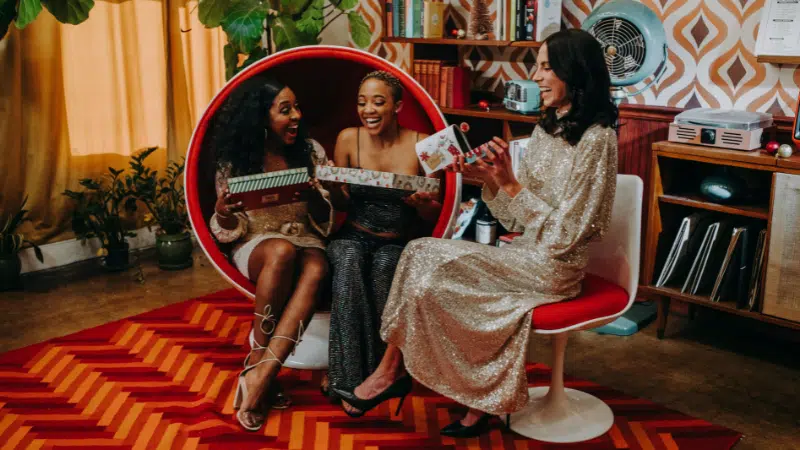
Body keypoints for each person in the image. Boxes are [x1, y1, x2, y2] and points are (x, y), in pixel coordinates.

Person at [331, 28, 619, 437]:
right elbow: (516, 221)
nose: (535, 76)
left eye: (545, 67)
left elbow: (565, 237)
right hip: (523, 251)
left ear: (575, 72)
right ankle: (399, 370)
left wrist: (513, 186)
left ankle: (409, 378)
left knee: (429, 264)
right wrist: (488, 180)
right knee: (416, 252)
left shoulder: (598, 140)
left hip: (556, 268)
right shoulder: (548, 126)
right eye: (536, 65)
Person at [208, 76, 334, 431]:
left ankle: (261, 374)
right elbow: (227, 230)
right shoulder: (235, 159)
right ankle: (260, 367)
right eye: (284, 110)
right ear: (262, 117)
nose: (296, 115)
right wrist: (222, 211)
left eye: (296, 107)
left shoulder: (310, 151)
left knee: (316, 266)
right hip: (257, 244)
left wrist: (313, 197)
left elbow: (324, 220)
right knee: (280, 252)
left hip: (306, 238)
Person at [321, 71, 440, 412]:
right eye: (362, 102)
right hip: (354, 233)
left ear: (398, 105)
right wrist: (331, 187)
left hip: (398, 239)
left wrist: (424, 204)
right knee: (346, 258)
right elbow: (342, 204)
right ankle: (345, 378)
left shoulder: (425, 143)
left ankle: (382, 374)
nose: (368, 110)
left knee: (388, 265)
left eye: (378, 101)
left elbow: (437, 214)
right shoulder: (347, 139)